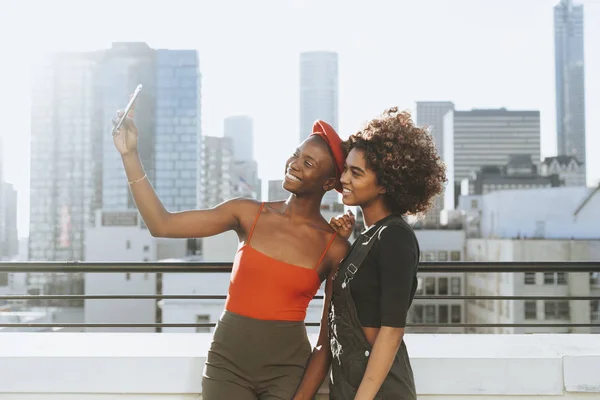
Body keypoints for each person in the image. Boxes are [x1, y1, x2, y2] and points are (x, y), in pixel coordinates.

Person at [111, 104, 350, 399]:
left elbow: (326, 342)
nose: (295, 163)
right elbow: (163, 225)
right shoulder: (247, 213)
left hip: (288, 372)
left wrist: (301, 399)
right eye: (296, 154)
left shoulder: (335, 247)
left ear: (328, 183)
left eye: (309, 163)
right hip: (227, 366)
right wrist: (129, 154)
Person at [294, 107, 446, 399]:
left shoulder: (395, 237)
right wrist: (342, 245)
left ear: (385, 185)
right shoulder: (366, 238)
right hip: (348, 386)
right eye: (345, 169)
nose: (343, 180)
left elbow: (391, 331)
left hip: (379, 391)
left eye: (356, 173)